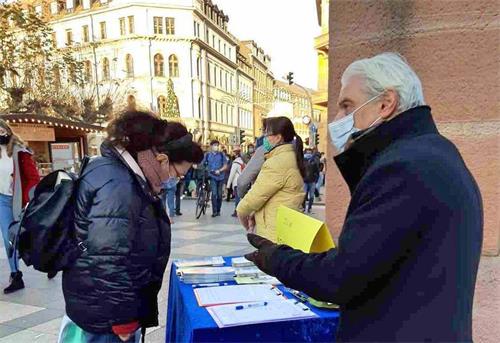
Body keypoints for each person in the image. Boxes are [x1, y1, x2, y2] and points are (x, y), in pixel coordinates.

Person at [245, 53, 483, 342]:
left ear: (385, 104)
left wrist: (276, 259)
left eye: (347, 106)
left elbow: (342, 276)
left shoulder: (401, 168)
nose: (337, 119)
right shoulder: (436, 153)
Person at [59, 111, 203, 342]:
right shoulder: (120, 185)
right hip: (106, 317)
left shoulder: (127, 176)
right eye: (179, 173)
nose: (177, 180)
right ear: (162, 159)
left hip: (105, 308)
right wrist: (123, 320)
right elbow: (108, 258)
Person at [236, 116, 305, 242]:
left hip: (275, 232)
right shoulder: (291, 156)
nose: (264, 138)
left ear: (278, 137)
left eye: (267, 134)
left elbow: (254, 198)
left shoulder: (277, 162)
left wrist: (242, 212)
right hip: (287, 226)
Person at [0, 120, 39, 294]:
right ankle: (16, 275)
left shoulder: (20, 151)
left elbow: (33, 178)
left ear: (7, 130)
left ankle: (48, 259)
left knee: (28, 237)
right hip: (2, 200)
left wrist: (28, 199)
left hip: (20, 201)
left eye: (2, 129)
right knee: (10, 238)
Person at [237, 119, 268, 199]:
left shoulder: (263, 149)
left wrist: (244, 199)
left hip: (264, 197)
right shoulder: (291, 150)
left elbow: (242, 182)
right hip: (290, 206)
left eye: (263, 130)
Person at [203, 140, 228, 217]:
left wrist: (219, 170)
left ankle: (218, 210)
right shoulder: (207, 155)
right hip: (212, 177)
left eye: (217, 145)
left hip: (220, 177)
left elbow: (225, 165)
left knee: (219, 195)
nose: (216, 147)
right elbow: (203, 164)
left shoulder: (221, 155)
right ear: (211, 146)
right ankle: (214, 211)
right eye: (214, 145)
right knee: (214, 194)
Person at [226, 147, 245, 217]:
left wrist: (228, 185)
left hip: (237, 182)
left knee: (237, 198)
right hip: (244, 181)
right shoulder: (244, 162)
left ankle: (237, 212)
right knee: (241, 198)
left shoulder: (235, 163)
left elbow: (231, 174)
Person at [302, 148, 321, 213]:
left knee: (311, 195)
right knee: (304, 195)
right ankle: (304, 208)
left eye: (309, 152)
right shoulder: (303, 161)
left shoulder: (314, 161)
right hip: (304, 181)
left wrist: (316, 180)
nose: (308, 154)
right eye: (307, 152)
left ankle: (309, 208)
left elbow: (317, 172)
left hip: (312, 181)